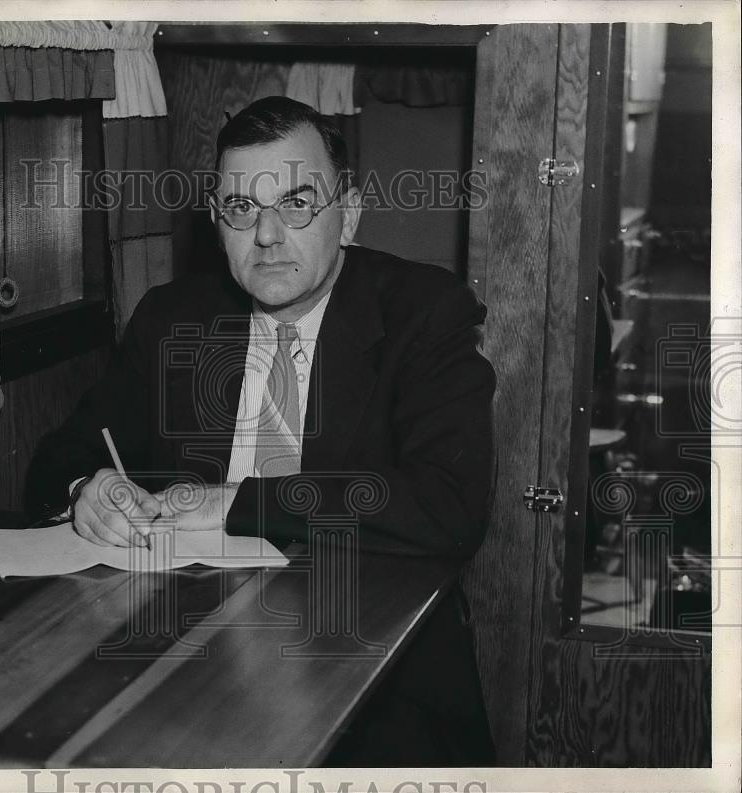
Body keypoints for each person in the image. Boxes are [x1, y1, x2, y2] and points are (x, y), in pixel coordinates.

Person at [25, 96, 497, 765]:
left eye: (298, 202)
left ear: (350, 212)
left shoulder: (423, 314)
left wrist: (239, 501)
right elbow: (58, 456)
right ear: (217, 224)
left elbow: (451, 505)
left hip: (376, 677)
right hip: (189, 664)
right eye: (242, 209)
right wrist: (86, 488)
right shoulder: (172, 319)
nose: (268, 235)